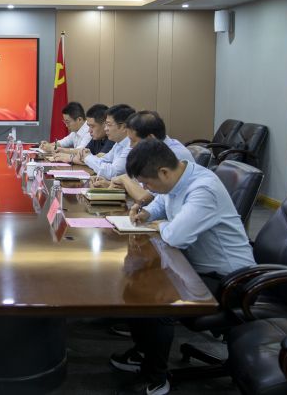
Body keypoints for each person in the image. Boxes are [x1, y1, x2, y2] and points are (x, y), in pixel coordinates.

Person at [109, 139, 254, 395]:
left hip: (231, 279)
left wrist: (159, 225)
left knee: (158, 302)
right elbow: (162, 201)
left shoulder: (203, 189)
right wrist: (147, 214)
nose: (144, 189)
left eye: (146, 183)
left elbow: (176, 236)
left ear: (164, 172)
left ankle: (156, 378)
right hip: (193, 265)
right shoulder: (178, 177)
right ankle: (143, 353)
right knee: (135, 283)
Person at [110, 111, 194, 203]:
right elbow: (143, 187)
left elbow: (145, 198)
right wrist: (121, 184)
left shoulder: (172, 154)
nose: (130, 146)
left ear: (150, 138)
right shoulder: (155, 150)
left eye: (133, 141)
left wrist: (124, 178)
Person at [85, 103, 136, 184]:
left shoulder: (131, 145)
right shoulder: (118, 143)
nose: (105, 129)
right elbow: (104, 160)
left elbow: (112, 173)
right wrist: (88, 157)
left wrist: (87, 157)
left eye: (108, 125)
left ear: (123, 127)